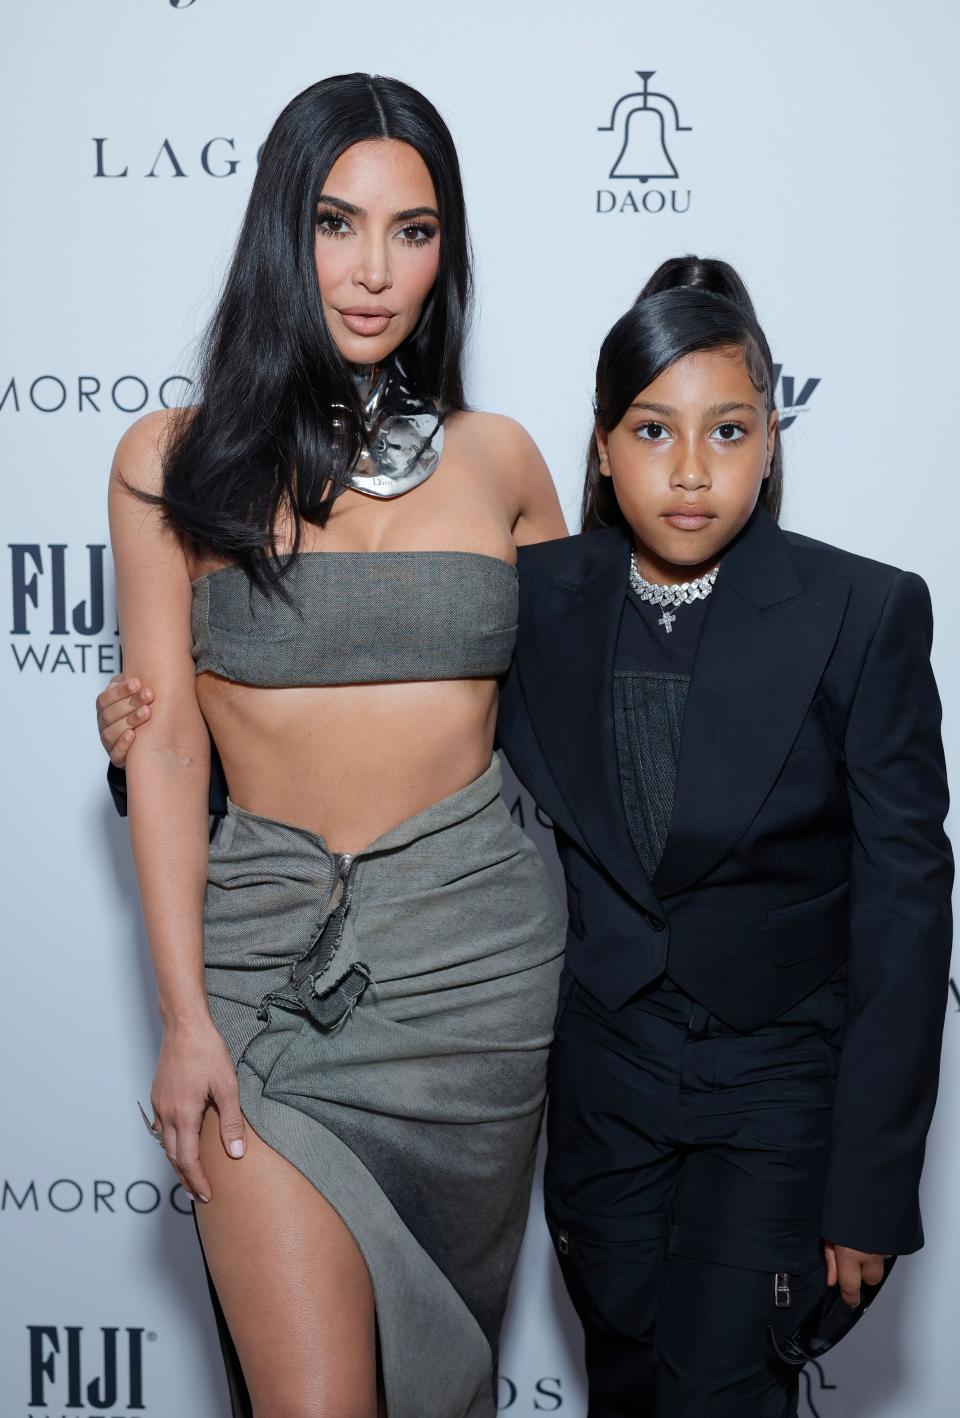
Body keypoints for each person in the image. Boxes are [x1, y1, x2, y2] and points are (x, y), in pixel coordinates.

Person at [104, 72, 567, 1418]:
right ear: (279, 232)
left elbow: (601, 718)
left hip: (479, 984)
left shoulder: (505, 462)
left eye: (413, 231)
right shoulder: (170, 464)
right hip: (263, 985)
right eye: (335, 222)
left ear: (447, 251)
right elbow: (173, 745)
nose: (373, 270)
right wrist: (185, 1018)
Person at [494, 256, 953, 1415]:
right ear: (601, 445)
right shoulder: (533, 600)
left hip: (780, 1090)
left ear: (770, 442)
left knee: (721, 1392)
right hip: (604, 1092)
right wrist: (166, 756)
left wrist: (870, 1187)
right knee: (629, 1385)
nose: (691, 470)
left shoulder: (864, 612)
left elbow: (906, 915)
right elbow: (381, 735)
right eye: (653, 430)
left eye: (728, 430)